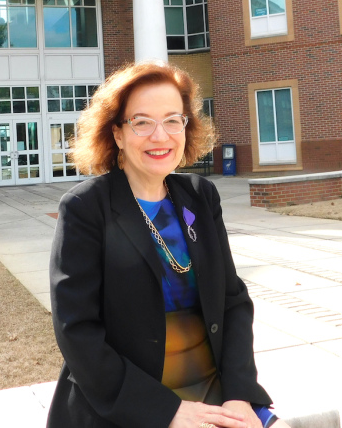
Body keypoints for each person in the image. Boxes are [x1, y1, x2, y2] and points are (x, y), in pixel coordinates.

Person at [48, 62, 289, 428]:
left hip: (216, 396)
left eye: (173, 120)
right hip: (130, 408)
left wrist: (240, 395)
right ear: (117, 134)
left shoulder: (200, 196)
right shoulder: (85, 208)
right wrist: (167, 412)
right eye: (142, 122)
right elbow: (77, 331)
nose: (160, 136)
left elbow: (233, 302)